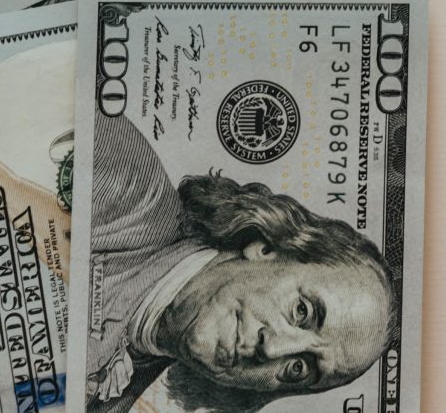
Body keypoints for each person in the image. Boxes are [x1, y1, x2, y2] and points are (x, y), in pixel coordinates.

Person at [79, 110, 393, 413]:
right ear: (266, 249)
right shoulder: (122, 182)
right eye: (302, 312)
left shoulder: (112, 401)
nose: (272, 350)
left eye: (299, 368)